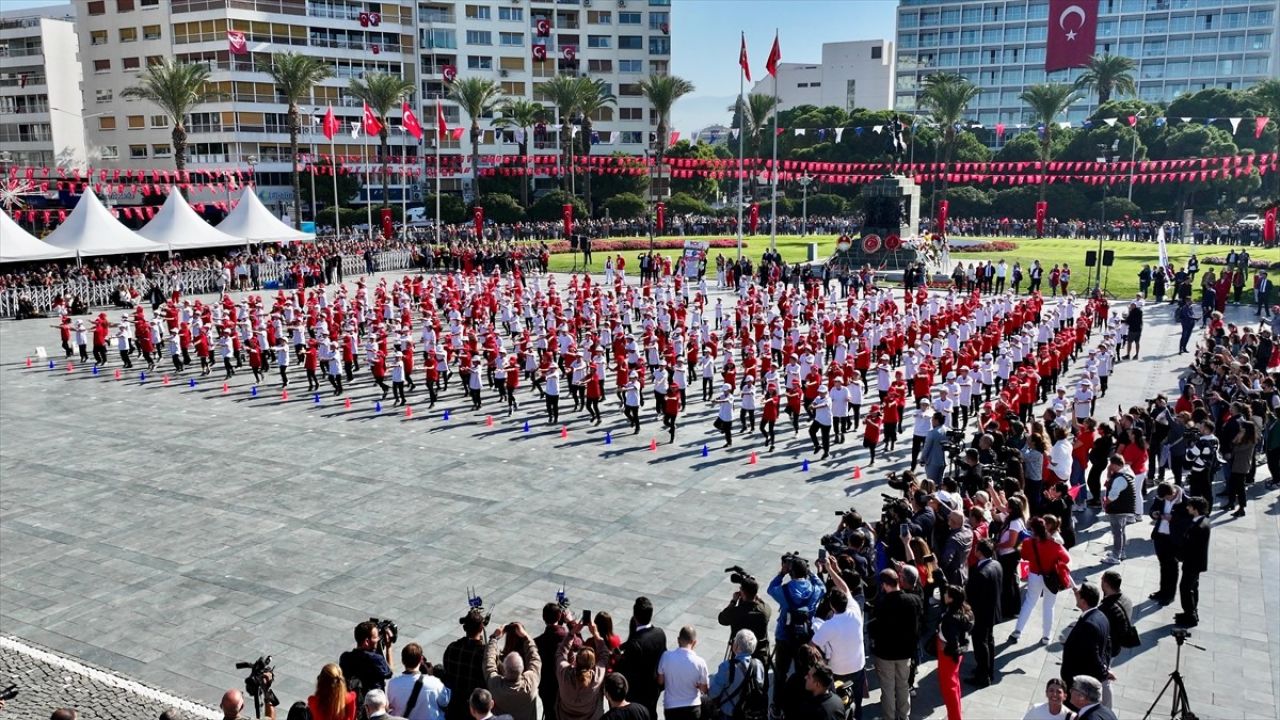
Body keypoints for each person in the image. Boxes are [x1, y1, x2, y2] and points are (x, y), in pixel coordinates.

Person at [810, 556, 865, 719]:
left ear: (832, 606)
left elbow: (811, 645)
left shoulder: (828, 626)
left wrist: (821, 663)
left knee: (840, 702)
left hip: (838, 670)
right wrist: (831, 569)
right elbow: (845, 588)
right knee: (857, 702)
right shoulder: (855, 611)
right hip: (858, 666)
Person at [868, 569, 921, 720]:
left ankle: (889, 717)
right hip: (905, 653)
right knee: (903, 686)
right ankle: (904, 716)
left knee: (888, 688)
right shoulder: (914, 600)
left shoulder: (882, 603)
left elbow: (875, 628)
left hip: (885, 654)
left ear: (884, 585)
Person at [1012, 516, 1072, 645]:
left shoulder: (1028, 542)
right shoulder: (1054, 544)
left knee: (1029, 603)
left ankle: (1017, 631)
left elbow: (1024, 556)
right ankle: (1046, 637)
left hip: (1034, 576)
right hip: (1051, 577)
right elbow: (1066, 559)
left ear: (1033, 530)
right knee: (1049, 607)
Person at [767, 555, 824, 689]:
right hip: (806, 637)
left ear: (790, 573)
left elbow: (771, 589)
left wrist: (782, 573)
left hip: (784, 635)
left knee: (780, 672)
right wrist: (811, 573)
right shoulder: (814, 590)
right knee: (804, 672)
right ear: (806, 572)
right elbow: (822, 587)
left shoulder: (785, 590)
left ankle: (778, 701)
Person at [615, 597, 667, 720]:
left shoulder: (635, 644)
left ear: (635, 616)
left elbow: (625, 671)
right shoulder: (660, 633)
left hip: (638, 694)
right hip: (654, 689)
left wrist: (619, 659)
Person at [965, 539, 1003, 687]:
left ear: (979, 552)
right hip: (992, 611)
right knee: (989, 641)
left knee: (981, 644)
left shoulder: (980, 573)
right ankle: (988, 669)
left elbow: (972, 596)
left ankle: (983, 676)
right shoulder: (996, 564)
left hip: (981, 614)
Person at [1060, 583, 1111, 691]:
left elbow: (1093, 654)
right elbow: (1108, 644)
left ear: (1083, 602)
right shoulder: (1101, 616)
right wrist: (1105, 665)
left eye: (1079, 594)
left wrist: (1104, 672)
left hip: (1079, 683)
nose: (1076, 594)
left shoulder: (1088, 625)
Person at [483, 624, 540, 720]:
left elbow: (489, 661)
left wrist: (494, 638)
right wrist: (526, 637)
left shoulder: (495, 684)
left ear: (505, 668)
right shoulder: (531, 683)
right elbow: (534, 658)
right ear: (522, 669)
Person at [556, 620, 610, 720]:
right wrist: (596, 634)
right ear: (593, 664)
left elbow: (560, 652)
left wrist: (572, 632)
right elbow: (605, 655)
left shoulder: (564, 673)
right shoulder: (597, 676)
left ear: (576, 660)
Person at [442, 610, 490, 720]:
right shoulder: (484, 654)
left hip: (454, 707)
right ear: (481, 628)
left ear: (464, 629)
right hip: (476, 708)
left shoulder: (452, 648)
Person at [1148, 482, 1191, 605]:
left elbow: (1189, 521)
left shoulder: (1186, 502)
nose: (1165, 500)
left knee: (1172, 567)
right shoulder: (1161, 497)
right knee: (1163, 565)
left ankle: (1169, 595)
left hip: (1173, 539)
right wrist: (1154, 514)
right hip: (1159, 536)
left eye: (1167, 498)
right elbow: (1153, 508)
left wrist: (1173, 519)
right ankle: (1162, 591)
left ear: (1173, 493)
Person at [708, 630, 766, 720]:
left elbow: (713, 693)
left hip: (729, 713)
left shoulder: (727, 666)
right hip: (749, 712)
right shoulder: (758, 664)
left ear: (737, 646)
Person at [936, 585, 974, 720]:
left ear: (951, 599)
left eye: (946, 593)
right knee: (954, 683)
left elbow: (953, 643)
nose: (944, 594)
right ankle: (955, 714)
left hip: (948, 656)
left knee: (948, 689)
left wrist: (944, 647)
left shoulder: (949, 619)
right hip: (956, 656)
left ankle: (954, 717)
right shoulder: (966, 611)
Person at [656, 626, 709, 720]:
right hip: (693, 707)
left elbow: (660, 681)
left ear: (678, 640)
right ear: (694, 642)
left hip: (671, 707)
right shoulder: (700, 662)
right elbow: (704, 689)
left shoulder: (666, 656)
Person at [388, 643, 451, 720]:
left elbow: (391, 705)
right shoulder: (434, 682)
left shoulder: (393, 684)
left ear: (402, 661)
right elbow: (445, 701)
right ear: (421, 660)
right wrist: (432, 676)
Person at [1175, 496, 1211, 628]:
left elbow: (1191, 546)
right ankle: (1191, 611)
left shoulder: (1198, 527)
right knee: (1193, 587)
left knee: (1185, 588)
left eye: (1190, 506)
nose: (1187, 507)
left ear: (1195, 509)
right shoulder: (1203, 521)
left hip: (1192, 563)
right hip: (1197, 562)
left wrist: (1180, 556)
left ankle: (1190, 615)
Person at [717, 576, 771, 659]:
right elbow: (765, 605)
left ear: (742, 592)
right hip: (760, 655)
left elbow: (722, 619)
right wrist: (759, 599)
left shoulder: (735, 612)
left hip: (739, 656)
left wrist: (733, 601)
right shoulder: (765, 611)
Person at [340, 621, 394, 700]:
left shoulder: (345, 657)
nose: (379, 639)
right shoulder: (376, 659)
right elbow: (389, 672)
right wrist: (389, 647)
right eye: (376, 637)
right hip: (373, 702)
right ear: (367, 641)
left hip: (354, 700)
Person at [535, 605, 569, 720]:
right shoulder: (566, 638)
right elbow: (579, 643)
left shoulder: (538, 641)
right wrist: (570, 623)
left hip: (546, 687)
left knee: (549, 713)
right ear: (560, 616)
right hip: (564, 685)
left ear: (543, 617)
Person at [1101, 454, 1136, 565]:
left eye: (1111, 464)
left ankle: (1116, 556)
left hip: (1118, 508)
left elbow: (1113, 495)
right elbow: (1109, 481)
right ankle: (1121, 552)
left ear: (1115, 464)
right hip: (1124, 507)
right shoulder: (1126, 474)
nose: (1110, 467)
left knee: (1117, 532)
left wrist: (1106, 501)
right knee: (1121, 531)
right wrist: (1109, 472)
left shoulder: (1120, 478)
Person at [921, 412, 947, 483]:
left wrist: (922, 459)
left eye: (932, 419)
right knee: (940, 483)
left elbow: (926, 448)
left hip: (933, 462)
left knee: (931, 483)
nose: (931, 421)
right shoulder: (947, 430)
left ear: (936, 421)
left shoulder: (932, 433)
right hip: (944, 461)